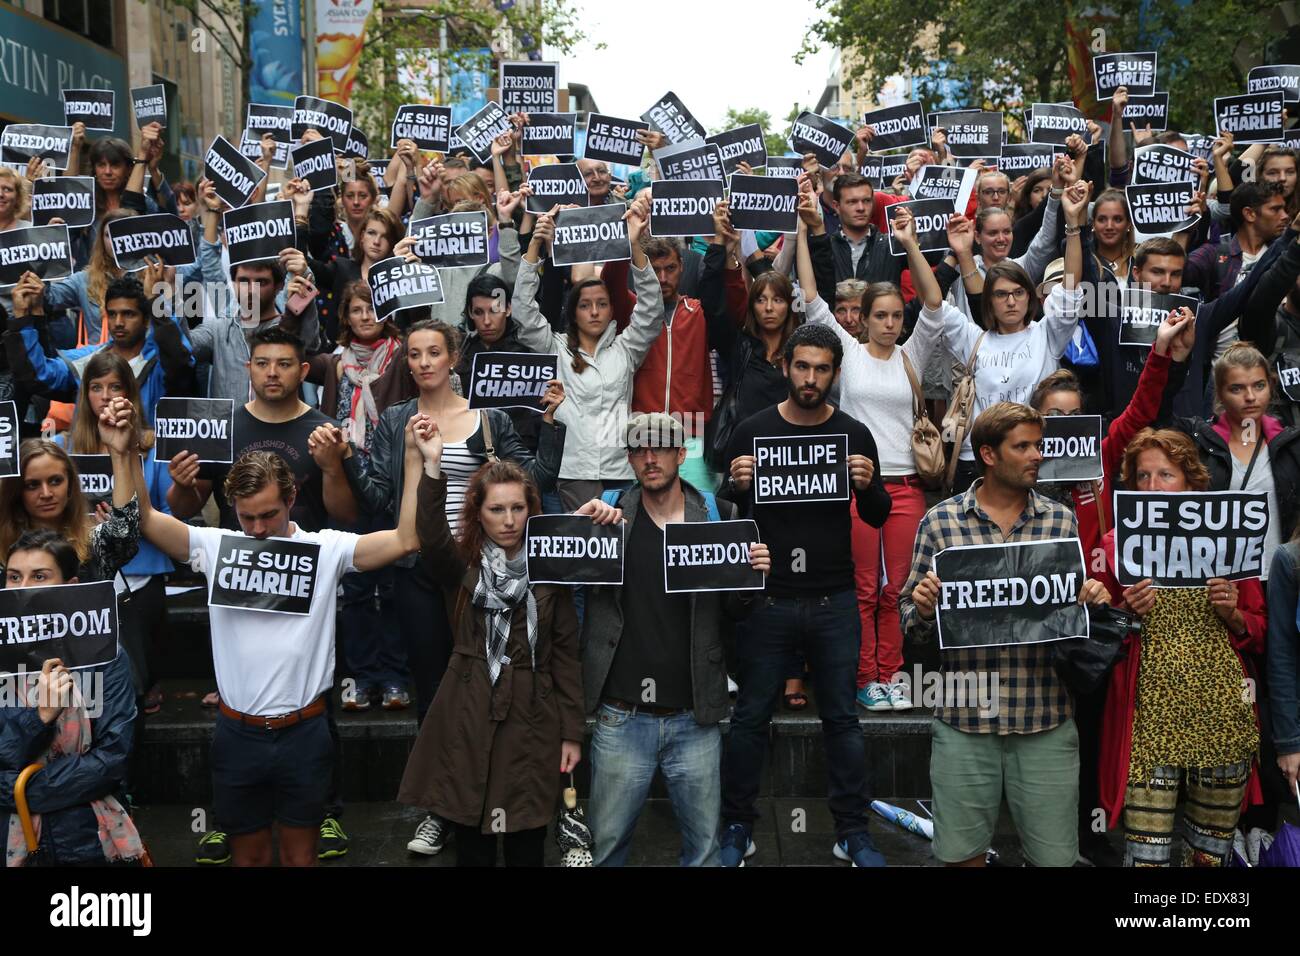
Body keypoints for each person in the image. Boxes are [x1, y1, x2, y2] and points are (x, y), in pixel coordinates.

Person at [125, 395, 433, 867]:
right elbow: (143, 519)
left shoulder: (324, 550)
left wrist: (414, 459)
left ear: (290, 499)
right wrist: (119, 450)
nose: (259, 527)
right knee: (247, 861)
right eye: (247, 517)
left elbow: (406, 539)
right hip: (237, 733)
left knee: (300, 860)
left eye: (269, 514)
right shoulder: (218, 545)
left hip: (304, 732)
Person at [345, 319, 564, 856]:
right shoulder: (396, 420)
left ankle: (490, 795)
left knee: (485, 685)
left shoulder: (488, 421)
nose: (422, 362)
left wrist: (553, 424)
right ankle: (441, 809)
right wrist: (348, 458)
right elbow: (377, 498)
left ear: (453, 358)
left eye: (433, 352)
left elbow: (533, 483)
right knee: (435, 691)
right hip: (419, 565)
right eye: (414, 354)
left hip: (479, 571)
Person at [899, 402, 1112, 867]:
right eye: (1024, 446)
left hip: (1045, 718)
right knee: (960, 856)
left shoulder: (1061, 520)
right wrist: (921, 608)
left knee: (1055, 859)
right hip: (964, 720)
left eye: (1039, 445)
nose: (1037, 454)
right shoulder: (939, 522)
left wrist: (1091, 600)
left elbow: (1070, 619)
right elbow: (907, 621)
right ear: (989, 455)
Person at [718, 323, 893, 867]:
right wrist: (735, 484)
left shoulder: (855, 435)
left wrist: (869, 484)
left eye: (821, 369)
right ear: (787, 366)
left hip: (835, 598)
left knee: (841, 719)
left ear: (835, 373)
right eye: (802, 366)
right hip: (768, 601)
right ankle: (736, 828)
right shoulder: (750, 431)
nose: (810, 378)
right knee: (749, 718)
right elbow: (730, 516)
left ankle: (852, 832)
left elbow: (878, 515)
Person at [583, 413, 770, 866]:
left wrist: (751, 583)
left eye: (661, 447)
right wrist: (582, 526)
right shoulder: (608, 515)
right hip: (621, 716)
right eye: (640, 449)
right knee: (606, 847)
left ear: (681, 455)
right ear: (629, 459)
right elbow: (565, 575)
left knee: (704, 850)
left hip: (694, 717)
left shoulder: (718, 515)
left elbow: (735, 614)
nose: (651, 457)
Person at [396, 423, 585, 867]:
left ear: (530, 510)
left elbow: (565, 657)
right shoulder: (461, 565)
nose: (508, 520)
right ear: (478, 512)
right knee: (472, 838)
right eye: (497, 509)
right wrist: (432, 465)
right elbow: (430, 533)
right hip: (469, 708)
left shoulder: (550, 568)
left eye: (518, 508)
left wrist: (572, 732)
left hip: (532, 712)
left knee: (526, 838)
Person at [797, 200, 950, 711]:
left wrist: (908, 243)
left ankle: (894, 673)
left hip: (907, 485)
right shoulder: (850, 354)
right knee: (863, 588)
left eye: (894, 316)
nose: (889, 323)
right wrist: (804, 230)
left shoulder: (913, 353)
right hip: (859, 486)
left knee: (899, 589)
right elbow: (813, 296)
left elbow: (933, 303)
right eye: (879, 316)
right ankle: (866, 678)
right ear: (861, 320)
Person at [1098, 429, 1265, 866]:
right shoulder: (1117, 544)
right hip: (1149, 725)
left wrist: (1233, 614)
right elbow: (1095, 630)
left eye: (1166, 475)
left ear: (1191, 482)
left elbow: (1262, 629)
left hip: (1222, 718)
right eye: (1142, 476)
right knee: (1145, 858)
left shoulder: (1228, 538)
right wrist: (1125, 610)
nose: (1152, 487)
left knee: (1208, 859)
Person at [0, 530, 144, 866]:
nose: (22, 589)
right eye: (13, 577)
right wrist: (39, 717)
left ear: (71, 586)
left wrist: (23, 792)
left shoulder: (106, 656)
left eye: (39, 576)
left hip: (86, 836)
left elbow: (112, 758)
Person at [511, 195, 662, 511]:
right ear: (573, 311)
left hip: (621, 472)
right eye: (585, 304)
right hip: (571, 474)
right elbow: (523, 313)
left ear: (611, 310)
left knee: (622, 554)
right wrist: (536, 246)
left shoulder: (626, 348)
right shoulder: (555, 346)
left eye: (602, 304)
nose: (594, 311)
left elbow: (651, 311)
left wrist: (635, 246)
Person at [304, 281, 412, 712]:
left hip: (388, 484)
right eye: (355, 310)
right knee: (357, 587)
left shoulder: (402, 356)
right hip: (348, 484)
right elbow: (290, 348)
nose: (365, 316)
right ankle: (362, 678)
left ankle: (395, 678)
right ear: (344, 317)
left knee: (392, 585)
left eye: (372, 308)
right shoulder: (333, 363)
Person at [941, 179, 1090, 492]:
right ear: (989, 302)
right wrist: (956, 252)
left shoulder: (1047, 333)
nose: (1010, 301)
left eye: (1018, 293)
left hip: (1037, 460)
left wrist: (1074, 225)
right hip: (980, 462)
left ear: (1030, 298)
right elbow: (930, 303)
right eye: (1001, 294)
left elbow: (1072, 285)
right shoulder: (974, 338)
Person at [58, 351, 175, 722]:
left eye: (115, 387)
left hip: (140, 574)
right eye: (96, 387)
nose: (105, 396)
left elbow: (167, 515)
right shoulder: (61, 450)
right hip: (84, 576)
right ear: (84, 394)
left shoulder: (153, 448)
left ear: (131, 393)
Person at [5, 266, 196, 427]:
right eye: (112, 314)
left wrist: (156, 302)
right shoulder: (88, 360)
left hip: (144, 463)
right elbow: (38, 375)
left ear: (146, 319)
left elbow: (180, 364)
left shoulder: (159, 360)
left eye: (128, 314)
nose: (118, 322)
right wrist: (23, 317)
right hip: (92, 463)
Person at [193, 178, 320, 404]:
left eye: (260, 282)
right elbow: (181, 347)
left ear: (279, 286)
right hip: (229, 436)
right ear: (233, 283)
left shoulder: (289, 324)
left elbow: (310, 342)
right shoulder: (221, 324)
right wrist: (164, 296)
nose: (250, 290)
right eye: (243, 280)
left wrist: (304, 274)